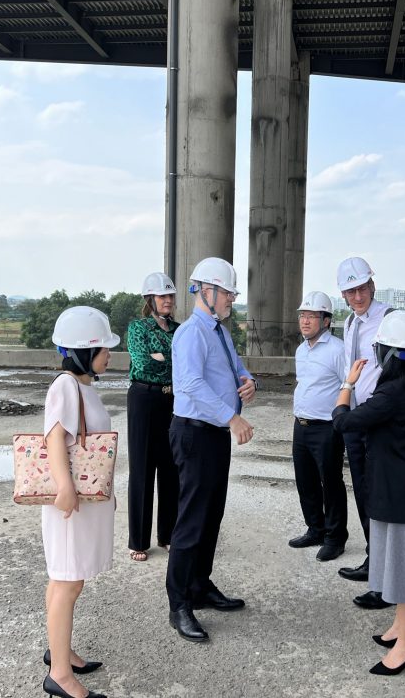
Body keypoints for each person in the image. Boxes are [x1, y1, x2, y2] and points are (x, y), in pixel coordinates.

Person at [331, 311, 405, 676]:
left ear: (388, 354)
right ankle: (400, 629)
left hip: (400, 495)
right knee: (400, 563)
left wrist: (347, 384)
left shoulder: (393, 392)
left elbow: (343, 421)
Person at [166, 257, 257, 643]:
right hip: (195, 432)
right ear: (208, 291)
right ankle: (179, 604)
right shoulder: (191, 333)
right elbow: (190, 385)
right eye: (229, 294)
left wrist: (248, 380)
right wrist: (231, 417)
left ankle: (200, 587)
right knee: (191, 521)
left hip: (213, 434)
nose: (231, 301)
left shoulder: (218, 331)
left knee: (210, 517)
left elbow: (235, 365)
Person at [41, 306, 119, 698]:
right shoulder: (65, 386)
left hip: (79, 501)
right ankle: (60, 675)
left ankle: (61, 650)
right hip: (71, 502)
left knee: (66, 578)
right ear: (82, 351)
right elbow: (55, 437)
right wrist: (65, 486)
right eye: (103, 348)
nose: (109, 355)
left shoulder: (82, 386)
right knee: (68, 581)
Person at [335, 256, 393, 610]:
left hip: (380, 419)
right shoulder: (350, 323)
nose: (357, 296)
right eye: (350, 291)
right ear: (343, 294)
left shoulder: (390, 320)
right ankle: (374, 560)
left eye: (361, 288)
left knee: (382, 497)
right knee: (364, 493)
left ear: (372, 285)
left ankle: (387, 578)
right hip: (356, 417)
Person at [288, 291, 348, 562]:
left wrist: (344, 420)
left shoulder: (337, 350)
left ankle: (335, 538)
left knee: (331, 484)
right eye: (302, 316)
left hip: (326, 428)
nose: (305, 321)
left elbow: (348, 386)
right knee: (306, 481)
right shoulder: (301, 349)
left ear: (326, 321)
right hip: (301, 425)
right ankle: (315, 528)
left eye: (312, 316)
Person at [126, 271, 180, 563]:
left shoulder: (179, 329)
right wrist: (165, 360)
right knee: (143, 468)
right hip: (144, 398)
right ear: (151, 299)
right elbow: (143, 362)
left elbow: (182, 364)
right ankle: (139, 541)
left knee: (171, 467)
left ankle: (168, 534)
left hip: (173, 398)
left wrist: (164, 357)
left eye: (170, 295)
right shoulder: (138, 328)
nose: (168, 300)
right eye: (162, 296)